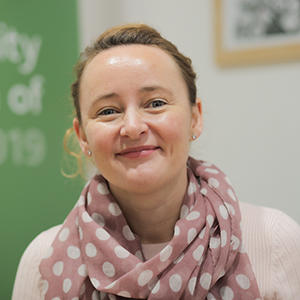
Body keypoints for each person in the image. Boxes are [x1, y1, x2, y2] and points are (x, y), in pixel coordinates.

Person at [12, 24, 300, 300]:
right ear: (82, 136)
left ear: (195, 117)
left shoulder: (272, 241)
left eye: (156, 103)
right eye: (108, 110)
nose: (133, 127)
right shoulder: (43, 260)